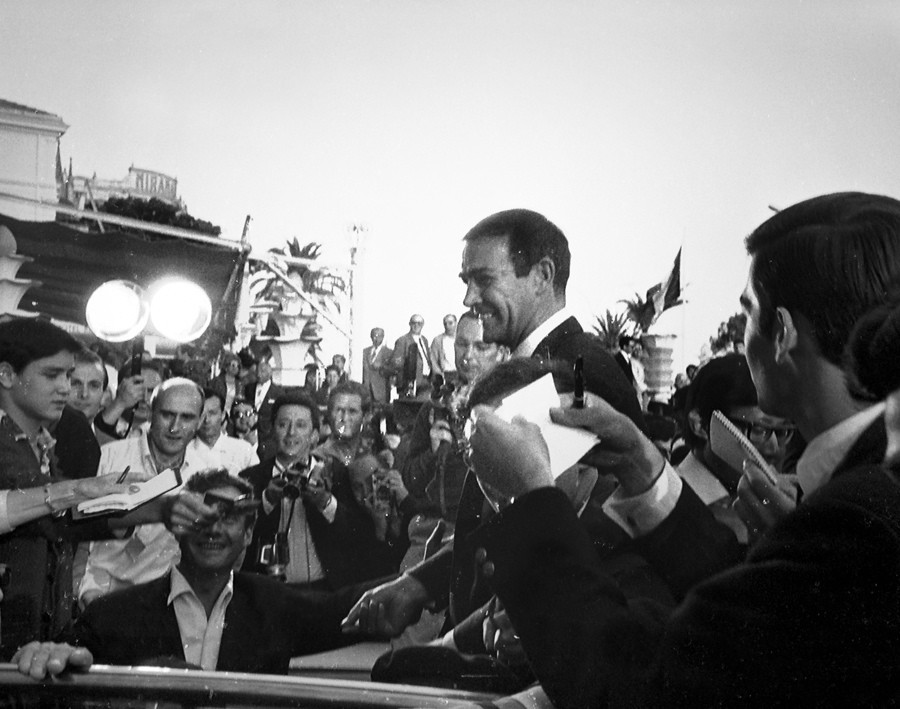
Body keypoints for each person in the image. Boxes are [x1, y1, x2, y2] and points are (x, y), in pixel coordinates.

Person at [461, 192, 900, 707]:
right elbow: (742, 632)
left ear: (780, 334)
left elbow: (645, 690)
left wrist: (531, 500)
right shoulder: (862, 488)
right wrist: (643, 466)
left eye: (749, 313)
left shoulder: (857, 523)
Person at [13, 469, 373, 677]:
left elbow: (349, 608)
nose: (213, 529)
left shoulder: (273, 605)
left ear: (248, 534)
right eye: (200, 515)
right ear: (176, 525)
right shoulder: (113, 614)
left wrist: (422, 579)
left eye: (229, 518)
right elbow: (59, 656)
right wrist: (43, 654)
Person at [0, 318, 138, 657]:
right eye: (52, 375)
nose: (66, 388)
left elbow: (65, 521)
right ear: (6, 375)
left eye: (68, 375)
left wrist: (155, 508)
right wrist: (82, 490)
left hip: (44, 640)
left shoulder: (56, 435)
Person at [459, 208, 643, 426]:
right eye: (466, 281)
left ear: (542, 276)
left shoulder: (577, 373)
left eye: (484, 279)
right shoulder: (565, 360)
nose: (468, 299)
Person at [79, 378, 216, 606]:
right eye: (167, 414)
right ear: (151, 413)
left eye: (187, 417)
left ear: (201, 421)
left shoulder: (207, 473)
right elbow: (79, 534)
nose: (174, 427)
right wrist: (85, 591)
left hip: (165, 600)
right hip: (101, 592)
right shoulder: (109, 457)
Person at [241, 392, 394, 588]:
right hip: (268, 592)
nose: (291, 433)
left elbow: (359, 535)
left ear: (314, 435)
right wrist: (267, 500)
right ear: (272, 430)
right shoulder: (250, 478)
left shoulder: (337, 473)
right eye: (283, 424)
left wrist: (326, 503)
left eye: (301, 425)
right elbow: (239, 538)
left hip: (323, 593)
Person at [678, 353, 795, 544]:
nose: (774, 448)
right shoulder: (668, 501)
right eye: (758, 429)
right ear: (700, 425)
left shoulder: (781, 504)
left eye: (783, 432)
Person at [93, 357, 165, 445]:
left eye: (152, 391)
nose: (145, 398)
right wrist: (120, 403)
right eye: (137, 389)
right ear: (120, 388)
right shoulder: (98, 418)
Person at [189, 387, 259, 476]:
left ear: (222, 415)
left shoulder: (243, 450)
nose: (207, 420)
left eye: (212, 413)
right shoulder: (185, 452)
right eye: (202, 414)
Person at [243, 354, 284, 460]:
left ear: (270, 374)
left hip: (268, 434)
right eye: (257, 371)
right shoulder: (249, 388)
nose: (258, 374)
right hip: (250, 431)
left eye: (262, 371)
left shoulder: (278, 392)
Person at [392, 314, 432, 398]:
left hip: (425, 380)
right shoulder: (402, 340)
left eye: (419, 323)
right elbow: (397, 362)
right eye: (414, 323)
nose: (416, 325)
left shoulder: (424, 340)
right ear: (410, 324)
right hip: (409, 382)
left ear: (423, 325)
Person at [68, 348, 107, 425]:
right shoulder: (41, 436)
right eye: (75, 383)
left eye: (94, 386)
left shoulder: (114, 437)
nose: (84, 394)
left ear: (103, 393)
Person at [362, 327, 393, 404]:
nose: (376, 338)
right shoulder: (365, 352)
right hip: (366, 390)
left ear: (383, 337)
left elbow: (392, 369)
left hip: (381, 391)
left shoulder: (389, 353)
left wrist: (382, 366)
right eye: (374, 336)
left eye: (379, 336)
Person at [429, 314, 457, 383]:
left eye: (450, 323)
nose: (447, 326)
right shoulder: (438, 340)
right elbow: (432, 359)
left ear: (456, 323)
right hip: (446, 375)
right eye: (445, 324)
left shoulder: (462, 339)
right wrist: (439, 374)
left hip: (461, 374)